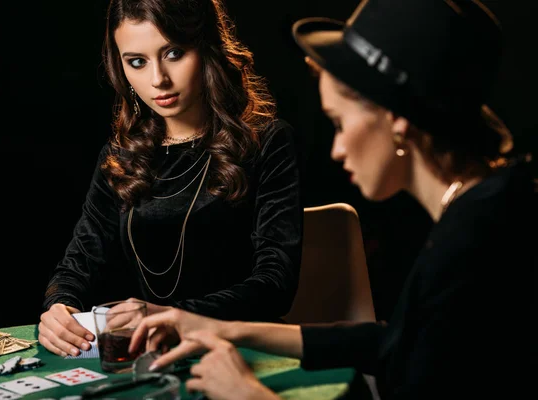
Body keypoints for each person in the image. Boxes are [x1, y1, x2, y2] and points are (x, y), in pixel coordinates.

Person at [128, 0, 536, 399]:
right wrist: (221, 328)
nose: (337, 149)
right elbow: (398, 341)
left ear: (396, 120)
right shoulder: (482, 209)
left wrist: (247, 394)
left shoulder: (473, 247)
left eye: (339, 123)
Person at [38, 0, 303, 358]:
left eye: (174, 53)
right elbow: (79, 263)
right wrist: (59, 307)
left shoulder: (266, 141)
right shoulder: (120, 156)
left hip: (242, 348)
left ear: (206, 47)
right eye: (137, 62)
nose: (158, 79)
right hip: (149, 352)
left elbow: (275, 284)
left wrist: (175, 316)